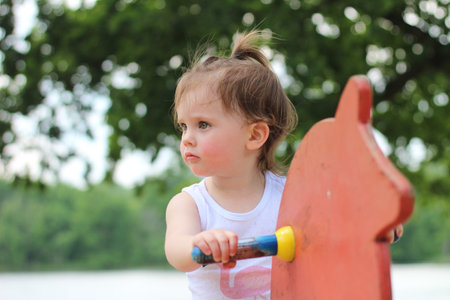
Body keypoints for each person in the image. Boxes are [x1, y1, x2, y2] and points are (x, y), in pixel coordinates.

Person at [164, 30, 402, 300]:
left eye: (203, 125)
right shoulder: (190, 205)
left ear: (254, 135)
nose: (187, 139)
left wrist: (374, 225)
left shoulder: (292, 196)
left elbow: (336, 227)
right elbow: (177, 251)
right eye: (184, 126)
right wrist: (199, 243)